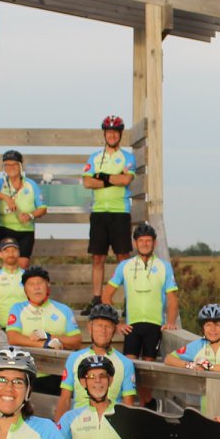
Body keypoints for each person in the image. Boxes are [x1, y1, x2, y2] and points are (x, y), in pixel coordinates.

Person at [81, 114, 137, 301]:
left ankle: (129, 299)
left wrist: (102, 176)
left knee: (123, 257)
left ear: (120, 134)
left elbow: (126, 180)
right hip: (99, 212)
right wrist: (113, 178)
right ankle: (97, 298)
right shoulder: (95, 157)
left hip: (120, 212)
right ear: (104, 134)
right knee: (98, 258)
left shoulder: (128, 157)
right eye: (109, 132)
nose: (112, 135)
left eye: (115, 132)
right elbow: (87, 182)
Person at [104, 222, 178, 360]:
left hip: (155, 325)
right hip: (132, 326)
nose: (145, 244)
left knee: (149, 364)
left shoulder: (164, 266)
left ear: (154, 243)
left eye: (148, 240)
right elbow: (106, 295)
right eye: (141, 241)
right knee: (129, 364)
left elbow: (172, 298)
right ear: (135, 243)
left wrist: (171, 322)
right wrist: (117, 323)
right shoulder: (125, 265)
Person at [56, 303, 137, 416]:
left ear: (114, 330)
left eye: (108, 326)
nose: (103, 331)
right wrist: (59, 426)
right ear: (90, 328)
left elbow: (129, 406)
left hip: (109, 422)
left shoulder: (126, 364)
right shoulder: (74, 359)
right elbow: (65, 399)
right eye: (99, 325)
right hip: (78, 421)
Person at [5, 266, 83, 351]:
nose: (36, 287)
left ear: (48, 285)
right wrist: (45, 344)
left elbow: (77, 341)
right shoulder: (17, 308)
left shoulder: (64, 310)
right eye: (31, 284)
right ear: (25, 289)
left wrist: (49, 336)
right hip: (28, 357)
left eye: (40, 283)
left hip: (59, 358)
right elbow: (13, 338)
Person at [0, 148, 45, 267]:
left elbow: (42, 208)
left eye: (14, 164)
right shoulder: (0, 183)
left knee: (23, 264)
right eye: (7, 165)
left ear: (20, 166)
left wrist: (30, 215)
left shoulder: (31, 185)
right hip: (5, 228)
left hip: (26, 230)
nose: (11, 167)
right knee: (10, 261)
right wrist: (5, 197)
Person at [166, 303, 220, 372]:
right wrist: (190, 365)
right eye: (208, 325)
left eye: (217, 325)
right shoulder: (198, 345)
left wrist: (209, 366)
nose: (213, 329)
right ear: (203, 328)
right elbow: (169, 359)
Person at [0, 237, 31, 331]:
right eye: (6, 251)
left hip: (27, 327)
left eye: (14, 250)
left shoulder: (28, 276)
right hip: (4, 328)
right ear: (0, 254)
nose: (11, 254)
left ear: (19, 253)